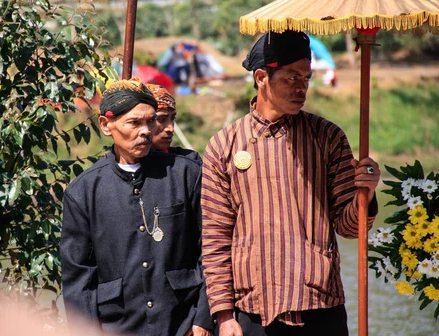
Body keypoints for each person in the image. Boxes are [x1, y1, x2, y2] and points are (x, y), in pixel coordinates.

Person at [200, 31, 381, 336]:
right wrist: (223, 314)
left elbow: (350, 228)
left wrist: (366, 192)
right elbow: (215, 239)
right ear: (261, 77)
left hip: (320, 306)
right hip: (251, 310)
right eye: (291, 77)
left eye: (307, 78)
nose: (302, 88)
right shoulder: (223, 146)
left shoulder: (327, 137)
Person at [61, 78, 213, 336]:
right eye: (134, 123)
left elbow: (212, 250)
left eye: (151, 121)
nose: (146, 131)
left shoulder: (186, 175)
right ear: (106, 125)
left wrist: (203, 319)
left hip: (183, 324)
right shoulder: (84, 192)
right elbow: (79, 281)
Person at [145, 83, 201, 162]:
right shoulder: (125, 166)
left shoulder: (189, 163)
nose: (170, 128)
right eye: (161, 119)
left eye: (172, 118)